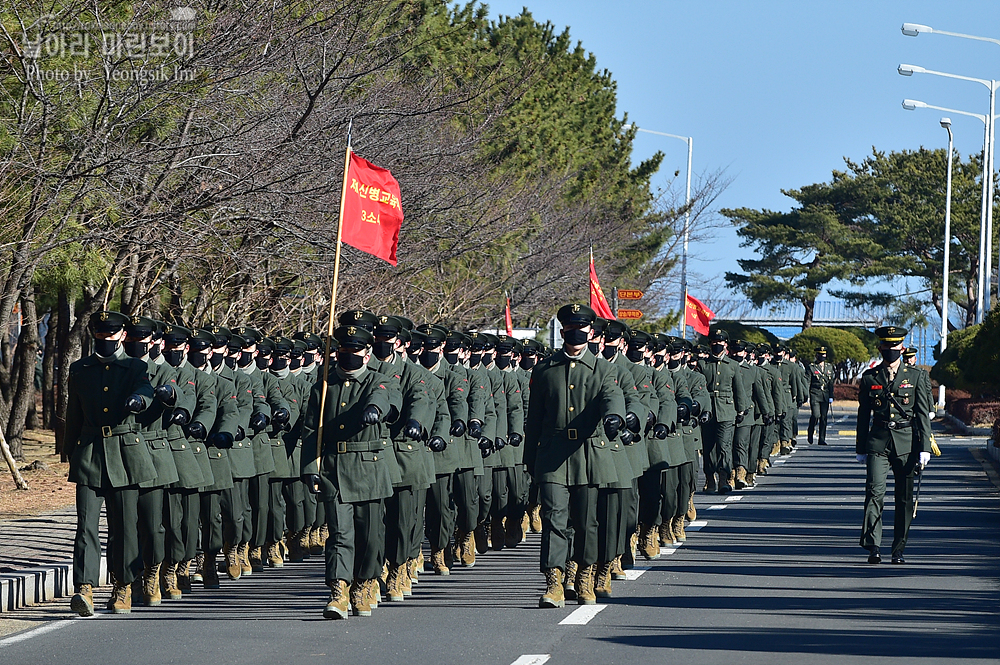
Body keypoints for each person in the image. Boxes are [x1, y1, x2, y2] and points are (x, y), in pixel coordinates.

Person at [523, 304, 626, 608]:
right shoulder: (545, 369)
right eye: (570, 328)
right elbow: (535, 419)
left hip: (588, 455)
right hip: (553, 455)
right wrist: (532, 462)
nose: (577, 333)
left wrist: (613, 418)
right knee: (554, 517)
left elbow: (612, 397)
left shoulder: (604, 369)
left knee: (585, 522)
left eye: (582, 328)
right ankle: (554, 582)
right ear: (563, 331)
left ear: (591, 333)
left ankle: (583, 576)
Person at [300, 324, 401, 619]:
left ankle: (363, 583)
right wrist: (310, 468)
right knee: (340, 535)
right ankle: (338, 591)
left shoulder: (379, 381)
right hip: (334, 470)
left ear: (367, 354)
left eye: (355, 350)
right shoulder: (323, 386)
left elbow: (384, 398)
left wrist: (374, 410)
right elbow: (310, 431)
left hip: (369, 470)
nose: (349, 355)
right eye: (344, 349)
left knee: (370, 536)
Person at [67, 311, 156, 616]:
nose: (105, 341)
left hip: (124, 452)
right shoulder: (80, 369)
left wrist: (139, 401)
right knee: (86, 525)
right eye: (100, 336)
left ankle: (123, 586)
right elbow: (74, 412)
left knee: (123, 528)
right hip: (90, 452)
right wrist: (70, 452)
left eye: (110, 336)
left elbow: (145, 389)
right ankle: (85, 587)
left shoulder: (135, 366)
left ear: (121, 336)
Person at [856, 326, 932, 565]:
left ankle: (899, 548)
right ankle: (873, 546)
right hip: (878, 441)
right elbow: (863, 415)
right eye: (886, 346)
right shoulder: (870, 377)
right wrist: (860, 448)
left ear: (902, 346)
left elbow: (921, 414)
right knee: (874, 493)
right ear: (880, 347)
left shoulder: (917, 376)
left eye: (895, 345)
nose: (891, 350)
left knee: (904, 498)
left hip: (907, 442)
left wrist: (925, 448)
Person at [808, 346, 836, 445]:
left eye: (824, 354)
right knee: (816, 415)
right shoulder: (811, 367)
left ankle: (822, 438)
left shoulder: (829, 367)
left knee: (823, 417)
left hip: (825, 395)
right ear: (817, 355)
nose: (823, 356)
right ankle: (810, 431)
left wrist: (831, 395)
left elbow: (831, 382)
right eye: (821, 355)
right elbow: (808, 381)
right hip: (815, 393)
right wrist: (806, 394)